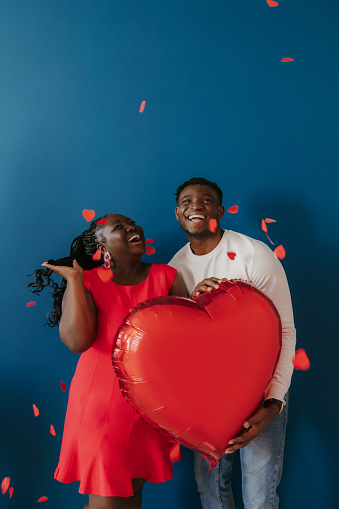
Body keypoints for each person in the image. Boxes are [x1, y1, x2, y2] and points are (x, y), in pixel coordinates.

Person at [29, 213, 187, 509]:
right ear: (101, 248)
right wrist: (75, 281)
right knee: (108, 500)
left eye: (132, 224)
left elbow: (185, 342)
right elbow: (77, 342)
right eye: (120, 228)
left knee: (131, 498)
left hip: (151, 406)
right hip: (103, 408)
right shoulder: (86, 281)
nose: (132, 228)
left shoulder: (167, 277)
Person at [168, 177, 296, 509]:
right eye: (187, 201)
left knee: (259, 495)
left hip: (259, 392)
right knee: (210, 489)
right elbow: (175, 343)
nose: (196, 205)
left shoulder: (254, 254)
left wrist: (273, 403)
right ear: (178, 214)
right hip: (206, 398)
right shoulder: (174, 270)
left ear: (220, 211)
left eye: (206, 200)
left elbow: (285, 329)